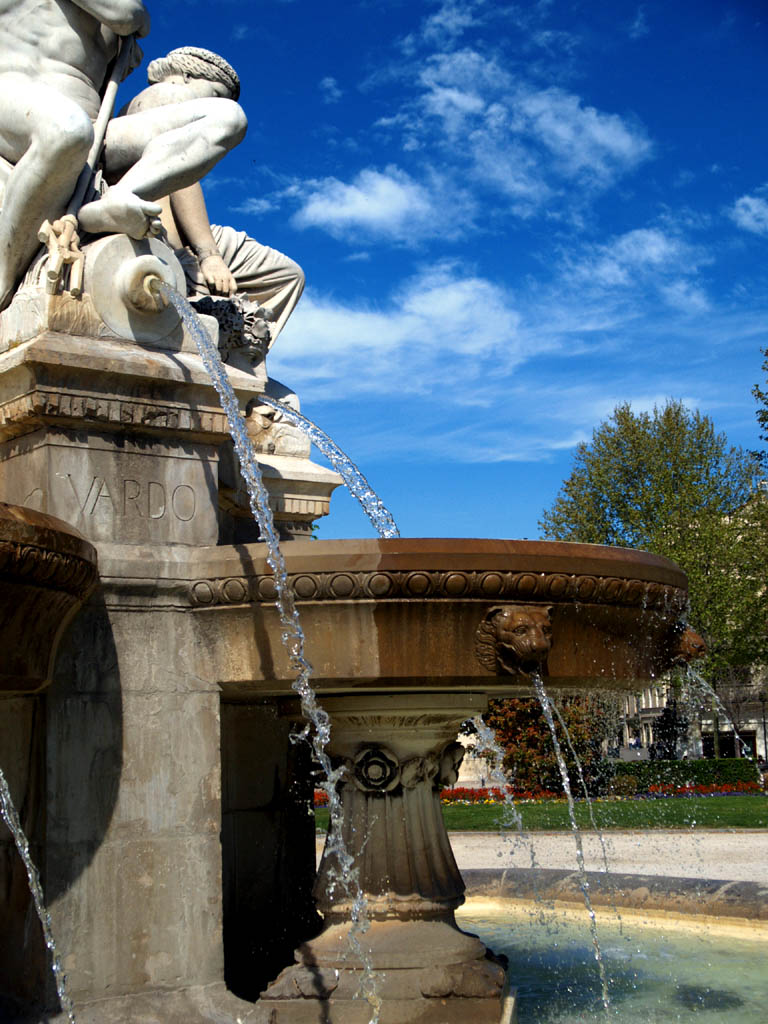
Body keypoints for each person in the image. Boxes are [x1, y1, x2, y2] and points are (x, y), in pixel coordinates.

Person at [0, 0, 247, 311]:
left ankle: (111, 202)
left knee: (227, 118)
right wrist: (140, 19)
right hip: (13, 100)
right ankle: (3, 278)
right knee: (67, 131)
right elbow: (125, 14)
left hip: (93, 133)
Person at [124, 47, 304, 346]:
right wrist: (209, 256)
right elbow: (177, 176)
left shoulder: (173, 103)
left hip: (192, 232)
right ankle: (218, 347)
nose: (219, 105)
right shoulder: (164, 97)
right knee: (286, 276)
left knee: (288, 276)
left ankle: (240, 352)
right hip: (168, 236)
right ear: (186, 76)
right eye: (216, 93)